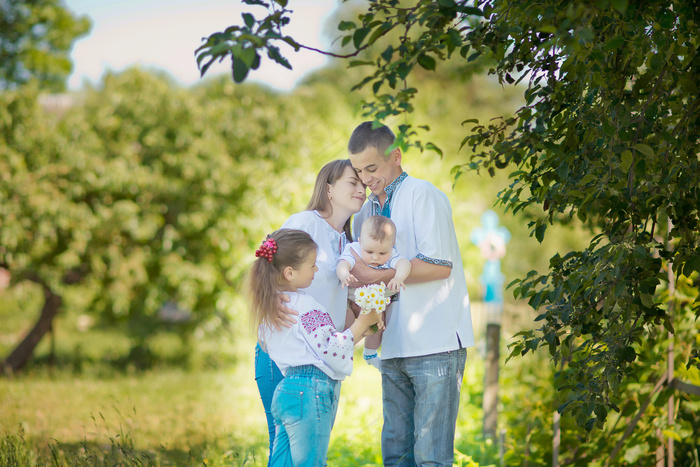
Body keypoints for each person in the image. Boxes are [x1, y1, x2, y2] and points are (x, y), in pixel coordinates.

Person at [347, 121, 475, 466]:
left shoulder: (423, 194)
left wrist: (374, 273)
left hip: (435, 343)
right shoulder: (365, 211)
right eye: (358, 171)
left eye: (372, 168)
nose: (366, 178)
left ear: (396, 157)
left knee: (431, 457)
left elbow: (439, 265)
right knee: (395, 454)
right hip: (392, 344)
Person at [254, 159, 366, 463]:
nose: (361, 188)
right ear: (328, 189)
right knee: (284, 445)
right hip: (285, 358)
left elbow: (337, 309)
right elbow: (271, 265)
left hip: (323, 363)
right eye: (352, 182)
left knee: (303, 454)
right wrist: (272, 298)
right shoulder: (305, 223)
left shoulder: (350, 243)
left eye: (363, 184)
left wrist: (364, 320)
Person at [249, 229, 381, 466]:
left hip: (285, 390)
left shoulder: (270, 310)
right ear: (290, 272)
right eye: (312, 265)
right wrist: (362, 321)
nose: (316, 270)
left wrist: (367, 328)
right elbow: (332, 349)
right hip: (310, 392)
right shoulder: (305, 305)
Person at [336, 215, 411, 369]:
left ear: (392, 245)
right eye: (369, 251)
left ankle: (370, 352)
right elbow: (343, 264)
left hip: (374, 302)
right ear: (360, 241)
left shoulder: (392, 254)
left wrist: (398, 277)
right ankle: (344, 351)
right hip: (351, 299)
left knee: (378, 323)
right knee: (348, 321)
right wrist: (344, 274)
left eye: (382, 253)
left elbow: (404, 263)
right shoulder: (353, 249)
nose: (375, 257)